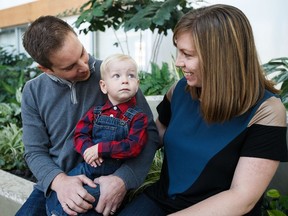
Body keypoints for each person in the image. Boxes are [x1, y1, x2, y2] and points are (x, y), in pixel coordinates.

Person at [118, 4, 288, 216]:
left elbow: (241, 198)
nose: (179, 62)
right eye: (178, 51)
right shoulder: (180, 90)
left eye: (187, 54)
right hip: (162, 200)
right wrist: (117, 175)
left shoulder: (267, 110)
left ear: (221, 58)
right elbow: (154, 135)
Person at [17, 16, 159, 216]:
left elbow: (149, 134)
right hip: (55, 184)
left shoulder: (114, 74)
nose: (84, 67)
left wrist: (123, 180)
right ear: (46, 69)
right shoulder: (33, 91)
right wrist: (59, 181)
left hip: (104, 181)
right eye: (69, 67)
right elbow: (34, 151)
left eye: (82, 53)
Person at [46, 53, 149, 216]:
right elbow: (80, 134)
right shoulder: (96, 113)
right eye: (117, 76)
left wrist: (101, 149)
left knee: (83, 201)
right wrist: (88, 150)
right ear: (103, 86)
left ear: (137, 83)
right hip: (88, 167)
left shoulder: (138, 117)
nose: (125, 80)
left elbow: (133, 146)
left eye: (131, 75)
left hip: (111, 175)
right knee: (58, 194)